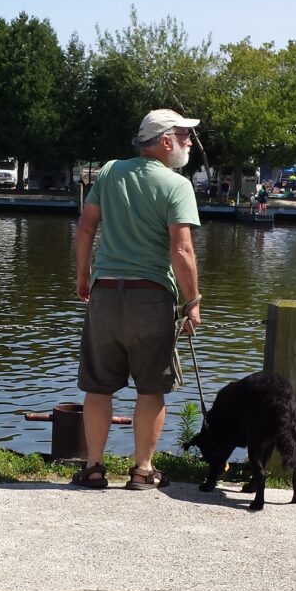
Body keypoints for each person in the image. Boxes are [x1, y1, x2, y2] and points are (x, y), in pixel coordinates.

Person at [69, 108, 202, 491]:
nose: (189, 142)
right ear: (165, 141)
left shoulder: (110, 172)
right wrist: (192, 302)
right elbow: (182, 251)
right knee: (151, 387)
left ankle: (94, 467)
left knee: (98, 386)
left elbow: (85, 228)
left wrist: (84, 278)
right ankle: (143, 470)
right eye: (184, 135)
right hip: (151, 297)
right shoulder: (177, 186)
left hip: (105, 294)